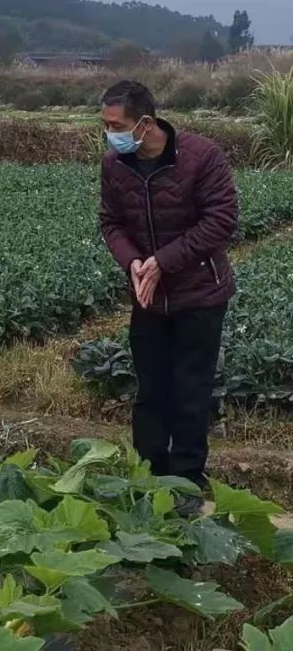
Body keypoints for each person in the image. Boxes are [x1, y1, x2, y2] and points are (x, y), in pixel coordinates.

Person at [98, 80, 237, 514]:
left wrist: (163, 261)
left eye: (116, 124)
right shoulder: (115, 164)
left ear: (145, 122)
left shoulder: (201, 157)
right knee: (150, 389)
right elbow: (110, 222)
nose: (109, 132)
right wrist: (134, 262)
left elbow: (221, 220)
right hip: (148, 297)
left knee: (190, 391)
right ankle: (148, 476)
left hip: (200, 292)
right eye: (105, 124)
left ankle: (187, 484)